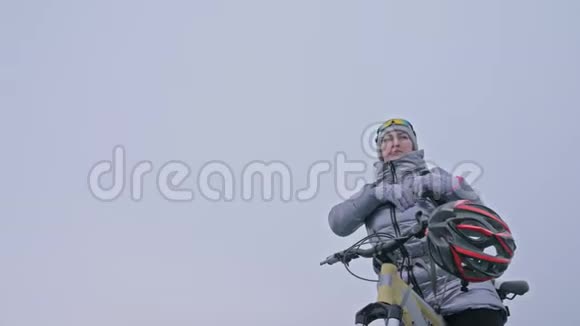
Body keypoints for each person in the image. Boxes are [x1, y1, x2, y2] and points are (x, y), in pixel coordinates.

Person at [327, 118, 507, 326]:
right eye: (386, 140)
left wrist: (442, 186)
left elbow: (480, 215)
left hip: (462, 293)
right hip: (409, 305)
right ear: (380, 151)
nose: (395, 143)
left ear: (413, 145)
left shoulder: (434, 178)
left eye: (403, 137)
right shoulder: (371, 193)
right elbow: (338, 223)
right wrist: (376, 195)